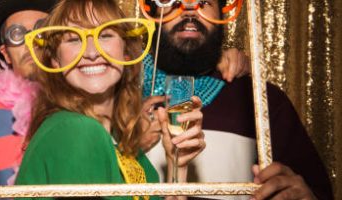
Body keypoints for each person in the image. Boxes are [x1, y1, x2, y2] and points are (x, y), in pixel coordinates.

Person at [140, 0, 333, 199]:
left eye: (204, 1)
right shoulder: (115, 91)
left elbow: (316, 191)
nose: (189, 8)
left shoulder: (260, 101)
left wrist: (306, 195)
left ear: (222, 16)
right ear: (151, 11)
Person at [15, 1, 205, 199]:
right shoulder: (75, 130)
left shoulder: (125, 147)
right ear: (56, 59)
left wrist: (177, 165)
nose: (91, 52)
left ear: (125, 51)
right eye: (73, 39)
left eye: (105, 35)